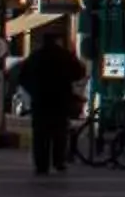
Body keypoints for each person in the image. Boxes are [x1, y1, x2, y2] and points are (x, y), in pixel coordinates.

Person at [10, 25, 87, 176]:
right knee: (59, 133)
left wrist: (33, 90)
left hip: (40, 101)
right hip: (60, 100)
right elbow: (79, 72)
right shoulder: (64, 56)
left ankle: (41, 165)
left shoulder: (36, 56)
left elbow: (21, 76)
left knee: (40, 135)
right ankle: (58, 162)